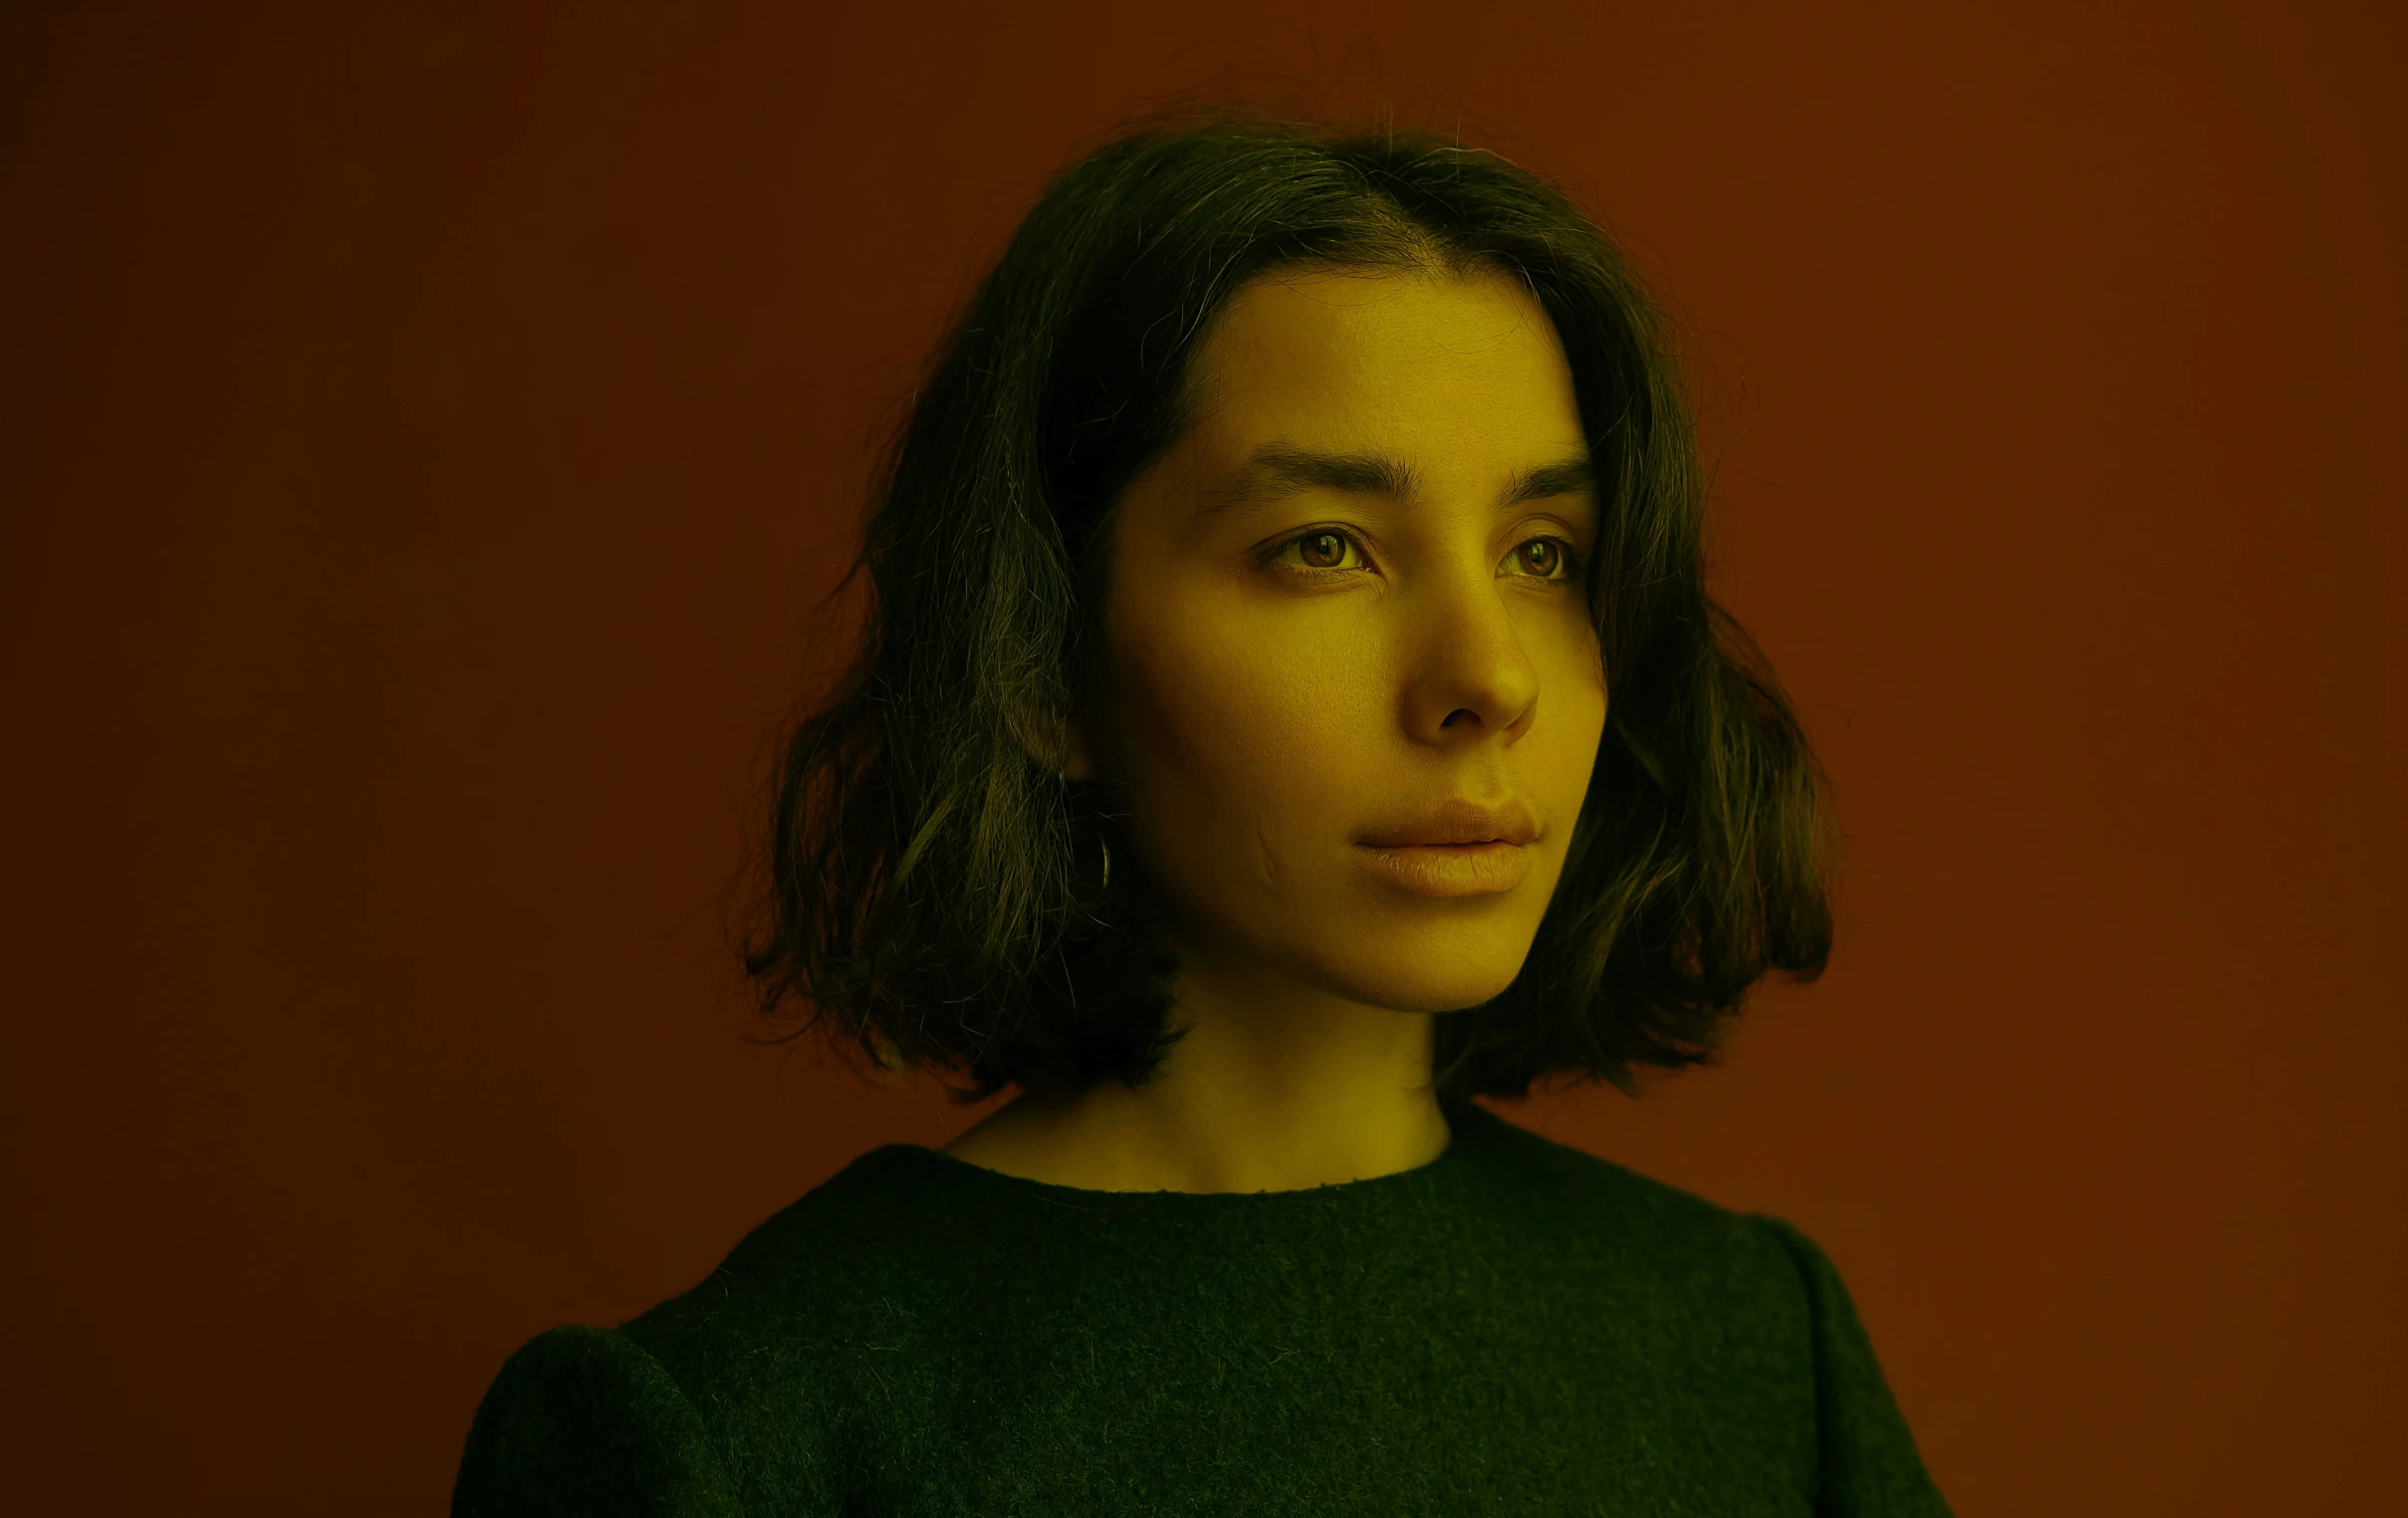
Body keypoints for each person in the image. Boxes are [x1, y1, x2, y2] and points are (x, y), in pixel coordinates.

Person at [451, 108, 1952, 1516]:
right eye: (1323, 547)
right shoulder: (723, 1434)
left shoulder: (1752, 1342)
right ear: (1041, 668)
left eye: (1546, 553)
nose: (1487, 677)